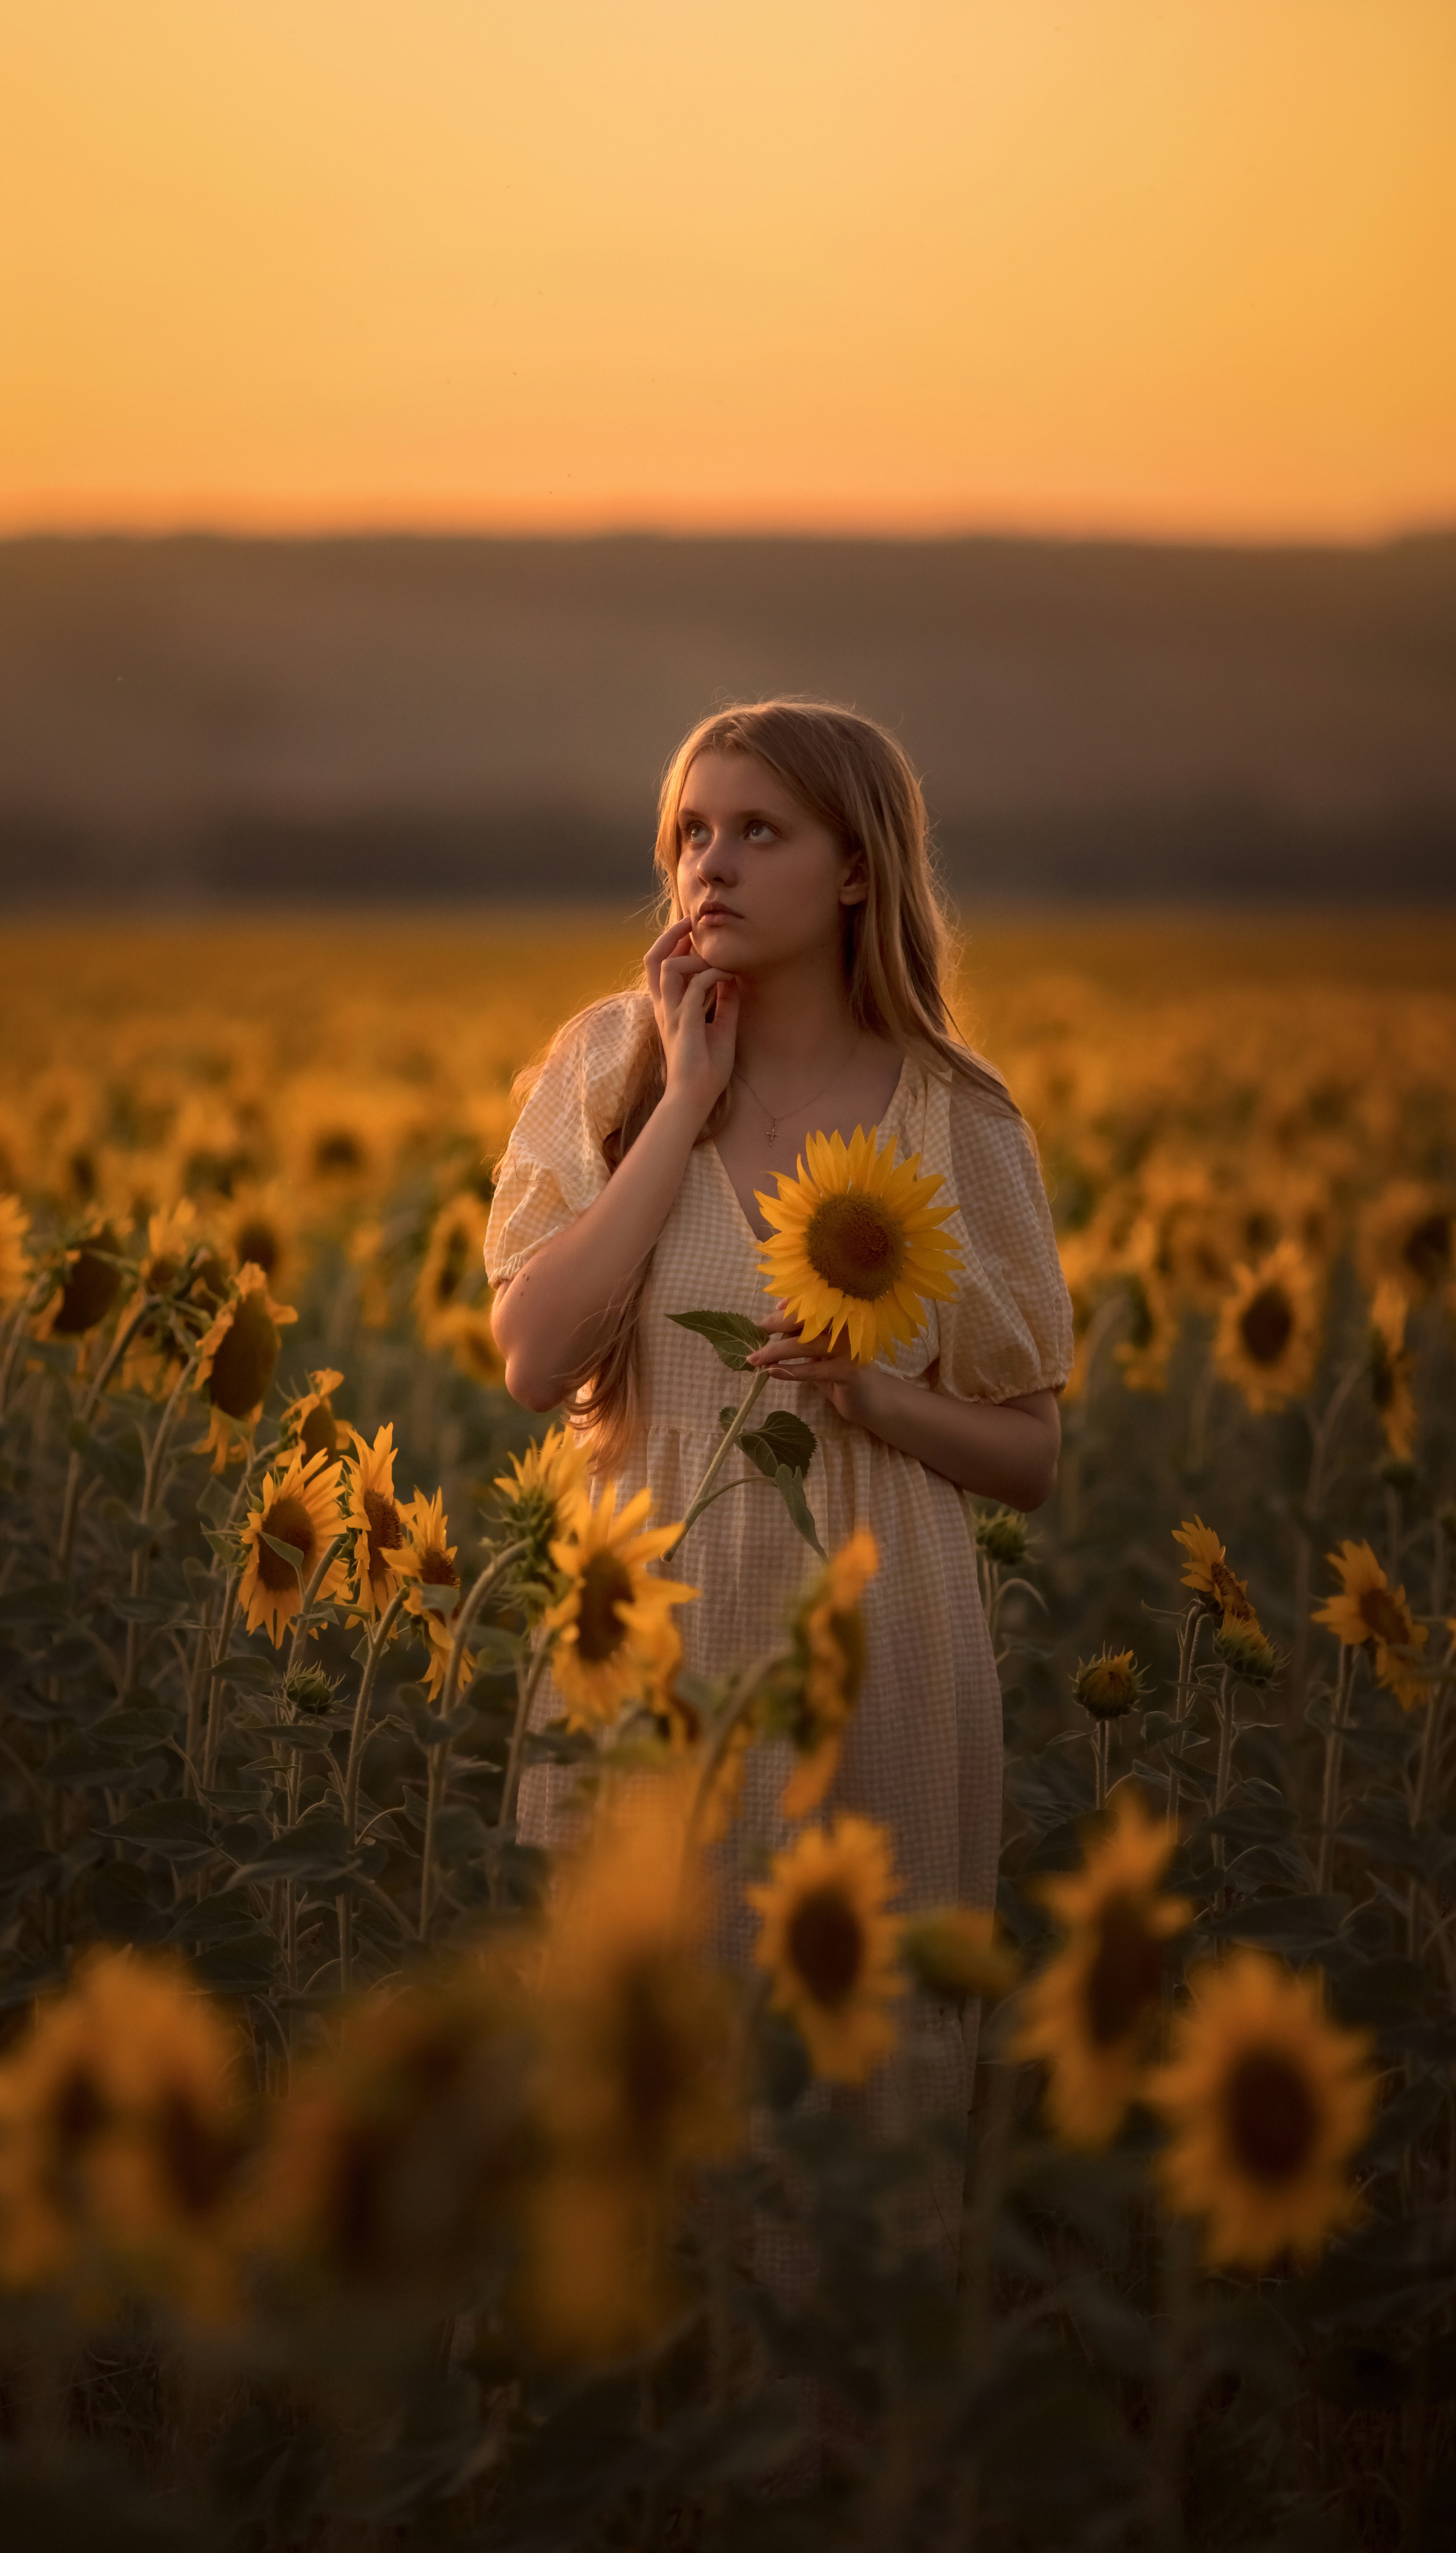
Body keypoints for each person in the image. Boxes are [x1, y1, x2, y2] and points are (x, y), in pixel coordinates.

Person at [485, 698, 1071, 2175]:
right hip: (645, 1638)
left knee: (848, 2103)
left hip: (869, 1648)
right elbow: (532, 1356)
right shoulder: (610, 1064)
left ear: (856, 868)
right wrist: (681, 1104)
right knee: (630, 2097)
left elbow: (1031, 1454)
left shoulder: (954, 1122)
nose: (710, 866)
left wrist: (878, 1401)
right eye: (689, 833)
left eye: (758, 831)